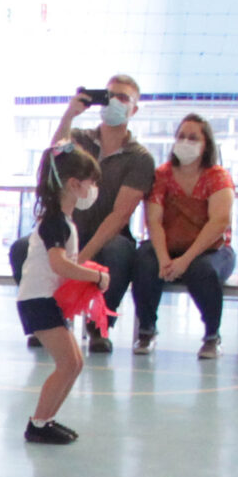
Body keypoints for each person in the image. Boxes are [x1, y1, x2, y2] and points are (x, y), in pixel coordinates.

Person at [50, 76, 158, 354]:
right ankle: (49, 320)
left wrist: (79, 258)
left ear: (134, 109)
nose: (115, 102)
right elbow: (55, 156)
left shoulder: (140, 158)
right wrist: (69, 115)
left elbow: (119, 216)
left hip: (109, 236)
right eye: (110, 95)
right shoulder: (78, 140)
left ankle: (99, 325)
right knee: (23, 249)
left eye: (123, 98)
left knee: (118, 252)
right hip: (69, 229)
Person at [18, 149, 110, 446]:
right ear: (74, 184)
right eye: (91, 182)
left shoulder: (64, 222)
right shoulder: (55, 222)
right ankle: (38, 423)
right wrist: (95, 276)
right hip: (38, 300)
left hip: (46, 300)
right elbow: (59, 264)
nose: (93, 189)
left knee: (75, 363)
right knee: (68, 363)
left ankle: (46, 419)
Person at [140, 113, 234, 359]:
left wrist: (185, 260)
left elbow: (219, 222)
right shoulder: (162, 175)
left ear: (206, 145)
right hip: (169, 244)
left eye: (193, 138)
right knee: (144, 261)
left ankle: (212, 336)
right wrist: (163, 258)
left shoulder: (217, 177)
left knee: (201, 270)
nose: (185, 142)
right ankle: (146, 330)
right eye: (181, 136)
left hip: (211, 248)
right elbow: (154, 220)